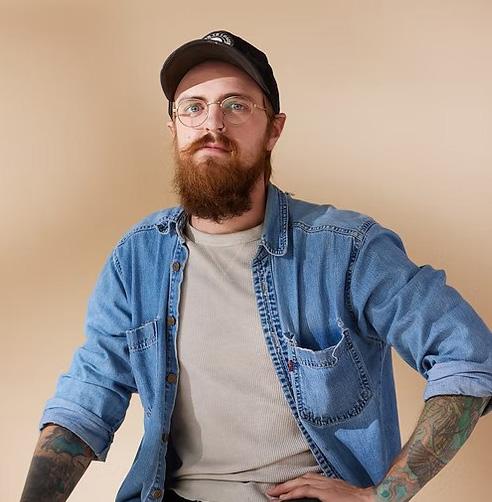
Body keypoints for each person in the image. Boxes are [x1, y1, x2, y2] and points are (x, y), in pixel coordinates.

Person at [21, 30, 491, 502]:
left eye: (236, 106)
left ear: (274, 130)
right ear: (174, 129)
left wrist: (383, 496)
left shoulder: (347, 249)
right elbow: (88, 396)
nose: (213, 124)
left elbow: (467, 354)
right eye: (193, 108)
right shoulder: (137, 258)